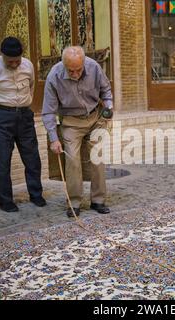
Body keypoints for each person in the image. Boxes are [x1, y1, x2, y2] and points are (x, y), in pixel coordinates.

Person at [42, 46, 113, 217]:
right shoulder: (54, 75)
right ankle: (74, 202)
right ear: (63, 64)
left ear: (83, 63)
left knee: (98, 158)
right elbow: (48, 111)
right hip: (71, 122)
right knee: (72, 160)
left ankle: (98, 200)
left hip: (95, 118)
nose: (74, 74)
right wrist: (54, 139)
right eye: (70, 70)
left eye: (78, 70)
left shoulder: (94, 67)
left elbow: (106, 90)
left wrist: (109, 107)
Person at [0, 37, 46, 212]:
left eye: (17, 60)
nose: (15, 64)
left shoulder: (28, 65)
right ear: (2, 55)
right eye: (10, 61)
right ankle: (5, 201)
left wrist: (25, 104)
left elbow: (32, 86)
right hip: (1, 116)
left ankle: (36, 195)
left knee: (32, 158)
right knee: (2, 161)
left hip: (24, 115)